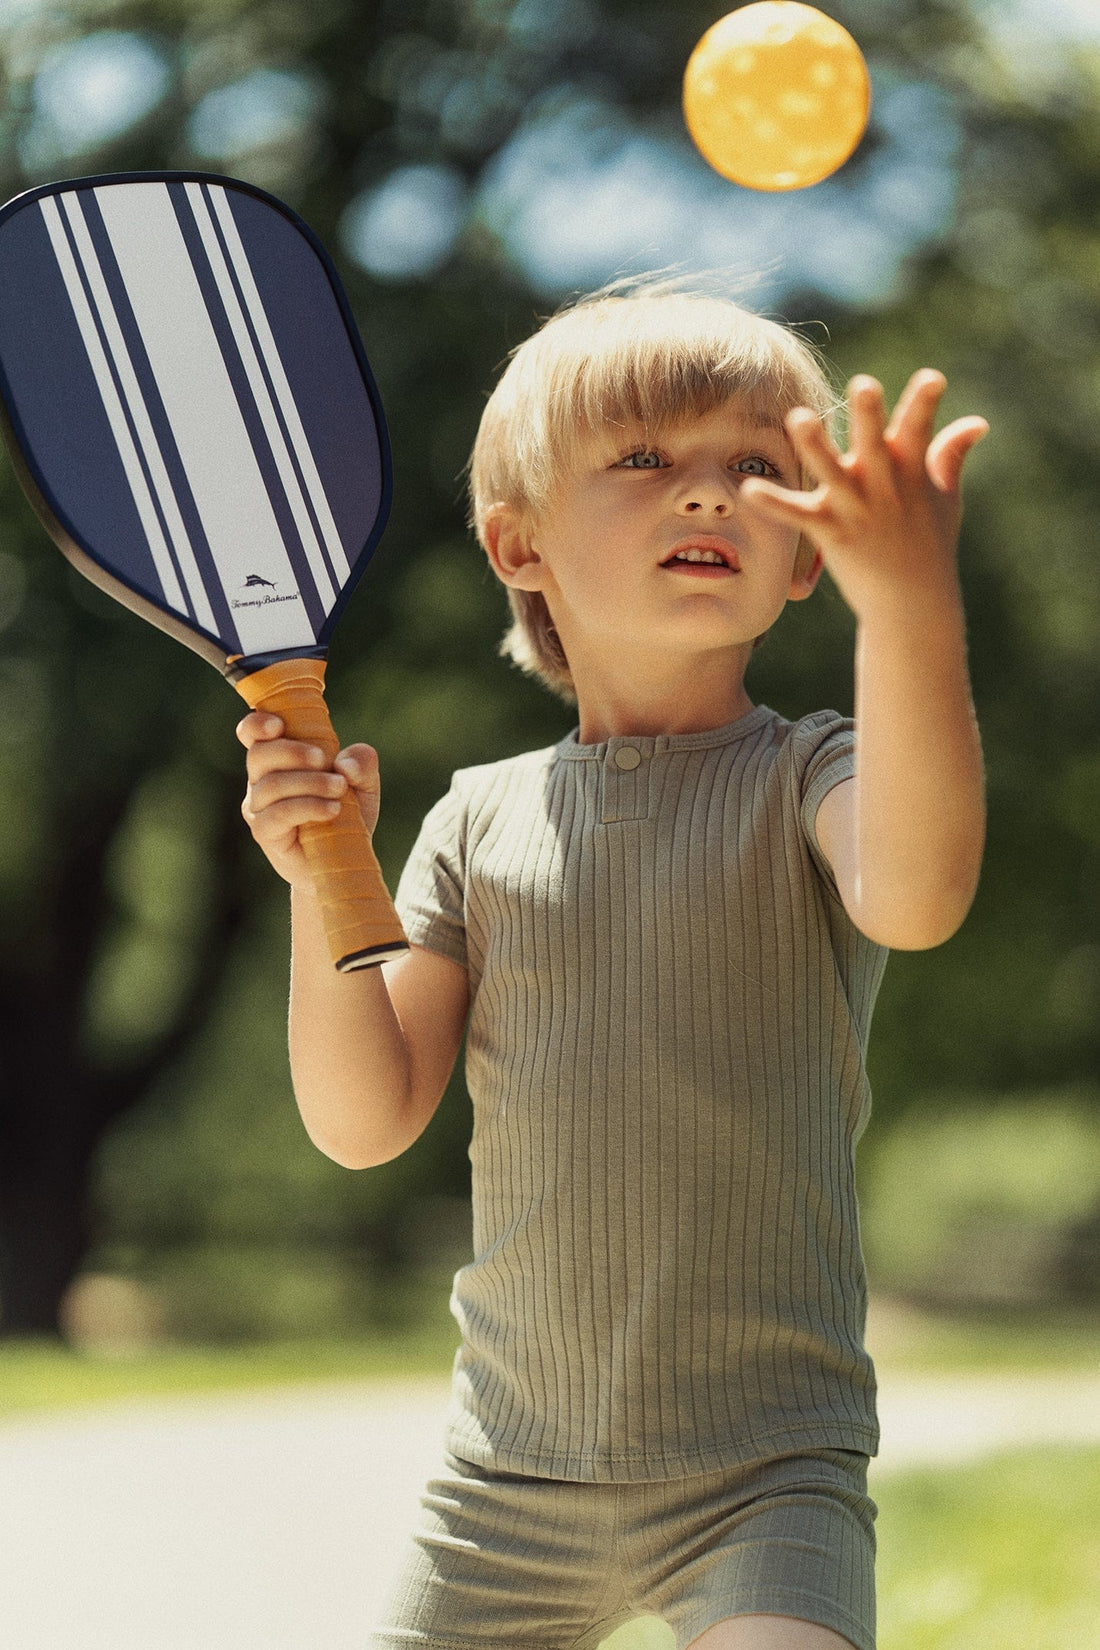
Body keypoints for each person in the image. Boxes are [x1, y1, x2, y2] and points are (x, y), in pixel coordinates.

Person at [238, 285, 987, 1650]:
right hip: (505, 1481)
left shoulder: (811, 771)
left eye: (759, 467)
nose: (709, 491)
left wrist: (912, 612)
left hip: (767, 1470)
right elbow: (365, 1117)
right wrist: (314, 882)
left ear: (810, 555)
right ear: (519, 541)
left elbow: (922, 894)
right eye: (644, 458)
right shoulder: (475, 816)